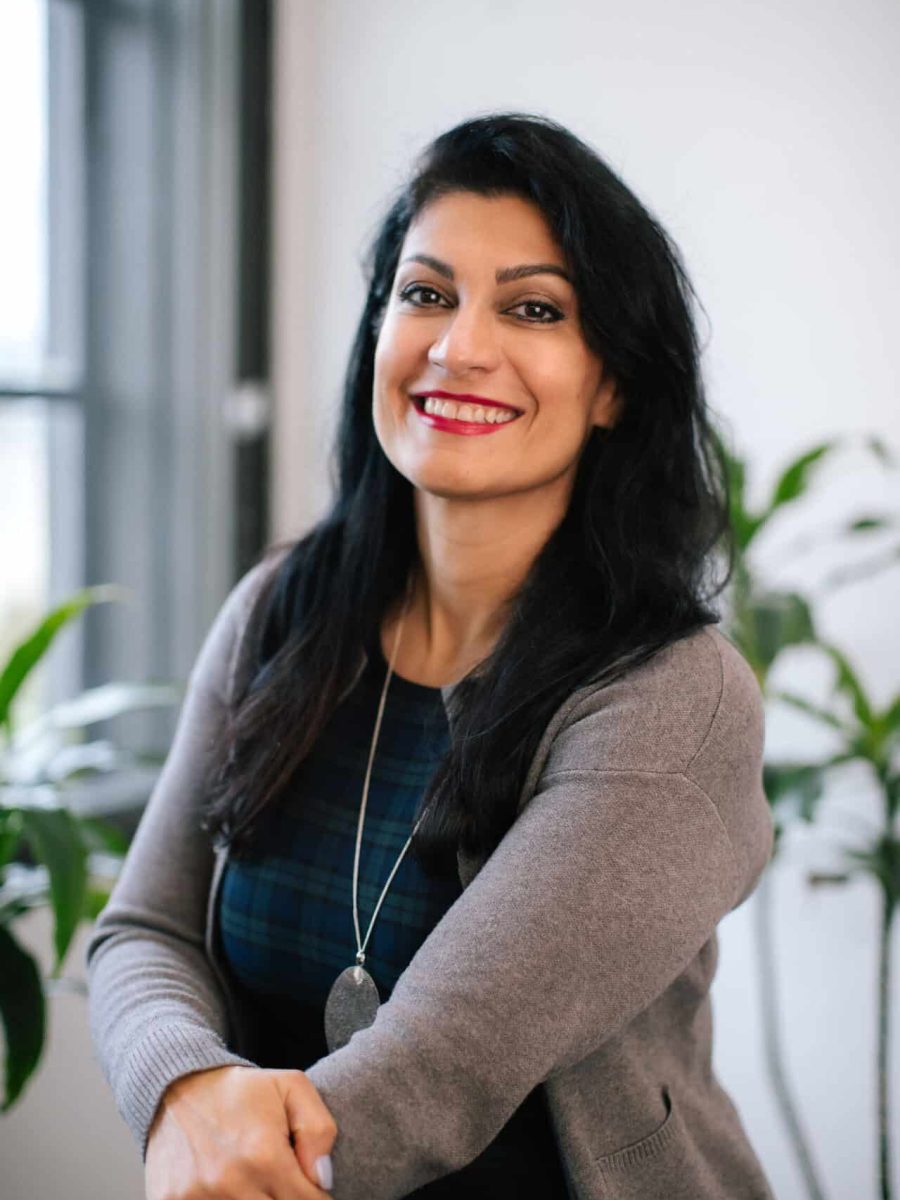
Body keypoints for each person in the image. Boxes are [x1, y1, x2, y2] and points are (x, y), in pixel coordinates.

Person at [85, 111, 777, 1200]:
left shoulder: (671, 697)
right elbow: (144, 930)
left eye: (534, 308)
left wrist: (234, 1161)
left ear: (614, 386)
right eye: (425, 293)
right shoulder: (282, 610)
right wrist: (181, 1094)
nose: (459, 346)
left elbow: (438, 1072)